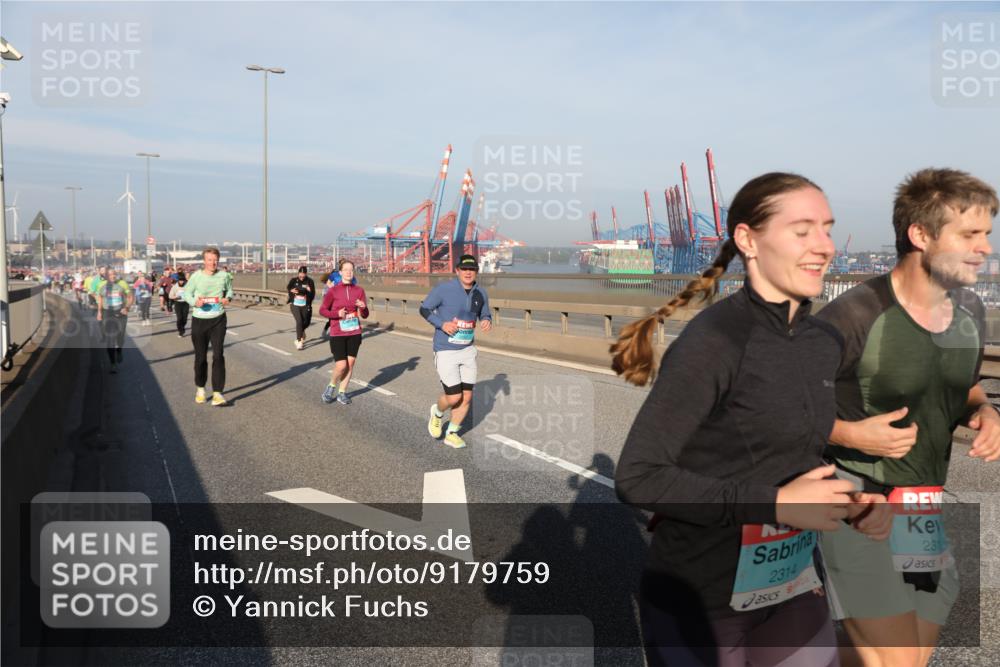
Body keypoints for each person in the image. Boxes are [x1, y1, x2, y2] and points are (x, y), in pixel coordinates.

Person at [612, 173, 890, 666]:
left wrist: (850, 503)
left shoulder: (822, 343)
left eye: (827, 229)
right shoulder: (715, 342)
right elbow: (638, 476)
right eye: (802, 231)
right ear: (748, 240)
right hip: (702, 598)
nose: (825, 246)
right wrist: (777, 503)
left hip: (793, 584)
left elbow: (792, 455)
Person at [817, 168, 1000, 667]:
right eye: (970, 234)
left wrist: (985, 411)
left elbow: (963, 386)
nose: (985, 248)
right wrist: (848, 433)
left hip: (921, 509)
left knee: (903, 656)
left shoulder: (969, 311)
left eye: (986, 234)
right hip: (856, 502)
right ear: (920, 235)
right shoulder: (852, 316)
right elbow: (774, 406)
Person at [419, 254, 493, 449]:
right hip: (446, 350)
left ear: (476, 272)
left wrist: (487, 320)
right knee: (454, 397)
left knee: (467, 397)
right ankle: (437, 412)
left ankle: (451, 433)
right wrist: (442, 324)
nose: (468, 273)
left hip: (468, 350)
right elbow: (424, 309)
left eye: (472, 269)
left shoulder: (481, 293)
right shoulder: (444, 289)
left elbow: (485, 312)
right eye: (464, 269)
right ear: (457, 271)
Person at [183, 248, 233, 406]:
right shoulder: (196, 276)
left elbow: (229, 291)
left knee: (218, 355)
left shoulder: (224, 276)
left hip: (218, 319)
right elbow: (186, 294)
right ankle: (200, 389)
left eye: (215, 260)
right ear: (204, 261)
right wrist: (194, 302)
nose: (213, 263)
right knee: (201, 357)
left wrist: (227, 298)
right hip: (200, 320)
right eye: (210, 260)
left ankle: (218, 393)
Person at [318, 260, 368, 405]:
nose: (348, 272)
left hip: (354, 332)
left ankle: (342, 392)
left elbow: (365, 315)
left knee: (350, 364)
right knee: (341, 365)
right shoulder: (333, 291)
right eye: (346, 270)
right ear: (340, 273)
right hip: (338, 332)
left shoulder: (359, 291)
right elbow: (322, 310)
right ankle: (331, 386)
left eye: (351, 270)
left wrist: (363, 307)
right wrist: (337, 314)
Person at [95, 267, 134, 374]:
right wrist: (99, 312)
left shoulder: (122, 284)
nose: (112, 276)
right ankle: (112, 364)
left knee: (120, 336)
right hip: (107, 313)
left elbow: (130, 297)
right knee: (110, 339)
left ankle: (119, 350)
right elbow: (100, 299)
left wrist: (126, 308)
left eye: (114, 274)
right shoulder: (101, 286)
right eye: (110, 274)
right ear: (106, 276)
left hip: (121, 312)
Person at [286, 266, 316, 350]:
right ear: (298, 273)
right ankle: (299, 341)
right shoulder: (293, 280)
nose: (302, 275)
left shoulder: (310, 281)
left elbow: (313, 294)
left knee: (306, 322)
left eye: (303, 274)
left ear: (306, 274)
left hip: (305, 304)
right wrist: (291, 290)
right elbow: (288, 287)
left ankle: (301, 331)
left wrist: (309, 291)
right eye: (300, 273)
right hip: (295, 304)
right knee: (299, 321)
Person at [169, 272, 190, 337]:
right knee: (179, 318)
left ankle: (182, 327)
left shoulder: (187, 285)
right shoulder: (175, 287)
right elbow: (170, 296)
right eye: (180, 281)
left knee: (185, 318)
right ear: (178, 280)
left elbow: (191, 293)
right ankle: (181, 331)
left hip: (185, 303)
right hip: (178, 303)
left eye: (183, 281)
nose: (181, 282)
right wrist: (176, 297)